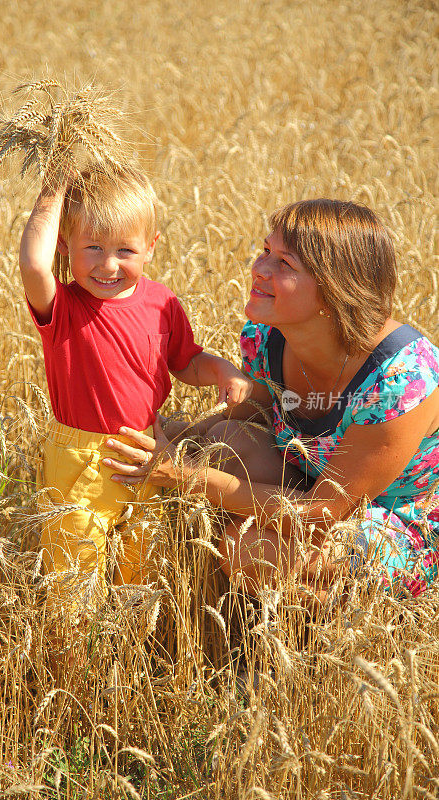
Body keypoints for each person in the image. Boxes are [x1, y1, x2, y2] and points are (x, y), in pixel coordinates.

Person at [102, 199, 439, 600]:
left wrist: (182, 474)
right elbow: (239, 417)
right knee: (227, 440)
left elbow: (324, 513)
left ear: (335, 290)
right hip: (312, 490)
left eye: (285, 263)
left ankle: (320, 647)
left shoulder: (401, 379)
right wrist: (138, 436)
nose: (259, 269)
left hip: (398, 530)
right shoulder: (269, 341)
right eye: (266, 251)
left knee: (247, 549)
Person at [19, 163, 252, 609]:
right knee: (73, 583)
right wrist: (55, 186)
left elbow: (186, 362)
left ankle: (124, 663)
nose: (108, 265)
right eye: (92, 247)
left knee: (139, 577)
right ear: (64, 247)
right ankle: (70, 668)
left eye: (125, 249)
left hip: (149, 451)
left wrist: (222, 369)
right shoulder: (64, 306)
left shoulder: (161, 302)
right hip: (80, 460)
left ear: (151, 247)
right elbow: (33, 263)